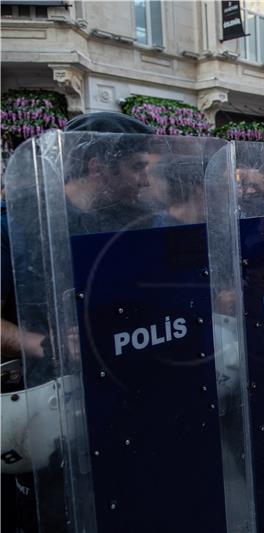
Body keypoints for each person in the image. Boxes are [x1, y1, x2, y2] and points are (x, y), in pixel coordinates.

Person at [2, 111, 155, 533]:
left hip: (122, 407)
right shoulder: (18, 220)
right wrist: (40, 343)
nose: (145, 181)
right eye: (136, 167)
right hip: (48, 421)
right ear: (96, 165)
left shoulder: (134, 222)